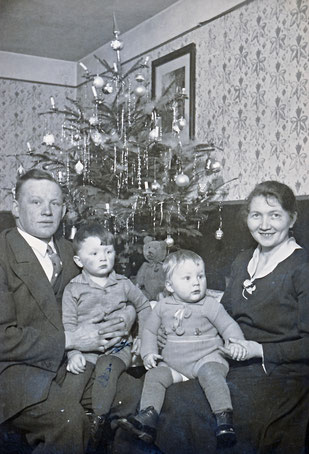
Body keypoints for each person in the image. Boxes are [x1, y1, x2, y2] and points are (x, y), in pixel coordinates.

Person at [113, 180, 309, 454]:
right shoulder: (244, 259)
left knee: (183, 408)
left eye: (275, 215)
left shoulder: (302, 267)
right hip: (231, 360)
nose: (264, 224)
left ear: (292, 218)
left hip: (278, 374)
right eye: (256, 215)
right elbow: (224, 311)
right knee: (154, 398)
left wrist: (258, 350)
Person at [0, 169, 135, 454]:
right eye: (36, 202)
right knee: (69, 422)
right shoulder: (3, 253)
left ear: (63, 209)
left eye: (55, 203)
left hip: (73, 366)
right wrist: (71, 341)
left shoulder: (73, 252)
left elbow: (116, 291)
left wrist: (129, 316)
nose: (47, 211)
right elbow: (2, 338)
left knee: (138, 398)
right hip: (16, 374)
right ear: (15, 207)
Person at [118, 249, 247, 446]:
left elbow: (228, 325)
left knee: (212, 374)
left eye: (200, 276)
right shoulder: (162, 307)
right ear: (169, 285)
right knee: (154, 376)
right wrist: (149, 353)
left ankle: (224, 418)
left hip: (205, 358)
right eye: (187, 278)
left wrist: (236, 342)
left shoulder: (210, 305)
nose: (196, 282)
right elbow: (150, 332)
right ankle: (148, 417)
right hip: (175, 365)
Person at [62, 223, 151, 446]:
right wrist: (73, 353)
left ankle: (98, 423)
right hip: (85, 350)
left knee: (107, 369)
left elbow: (144, 306)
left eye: (108, 251)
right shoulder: (73, 289)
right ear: (79, 261)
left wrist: (142, 337)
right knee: (74, 379)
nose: (103, 258)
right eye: (94, 253)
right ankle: (68, 424)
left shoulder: (123, 283)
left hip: (118, 350)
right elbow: (69, 326)